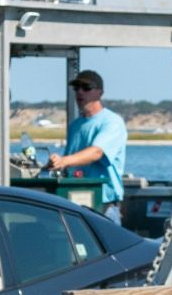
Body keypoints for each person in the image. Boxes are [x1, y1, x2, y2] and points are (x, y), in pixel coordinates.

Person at [43, 69, 127, 206]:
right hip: (74, 202)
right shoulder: (75, 126)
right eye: (77, 88)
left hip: (103, 203)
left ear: (100, 93)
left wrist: (64, 161)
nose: (80, 92)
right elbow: (69, 164)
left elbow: (97, 152)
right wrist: (53, 165)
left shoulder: (112, 122)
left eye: (86, 88)